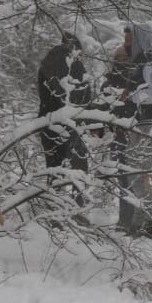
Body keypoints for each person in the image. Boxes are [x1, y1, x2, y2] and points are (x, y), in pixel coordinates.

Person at [112, 23, 152, 240]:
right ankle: (139, 223)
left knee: (140, 174)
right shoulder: (138, 63)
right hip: (139, 124)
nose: (126, 43)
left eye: (130, 38)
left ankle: (150, 223)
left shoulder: (149, 63)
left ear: (140, 39)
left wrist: (133, 98)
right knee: (136, 174)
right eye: (125, 38)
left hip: (148, 125)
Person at [36, 32, 92, 207]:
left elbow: (46, 93)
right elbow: (85, 97)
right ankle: (77, 209)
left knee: (54, 170)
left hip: (47, 122)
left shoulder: (46, 63)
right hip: (70, 122)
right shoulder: (74, 65)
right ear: (74, 49)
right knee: (80, 167)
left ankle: (54, 213)